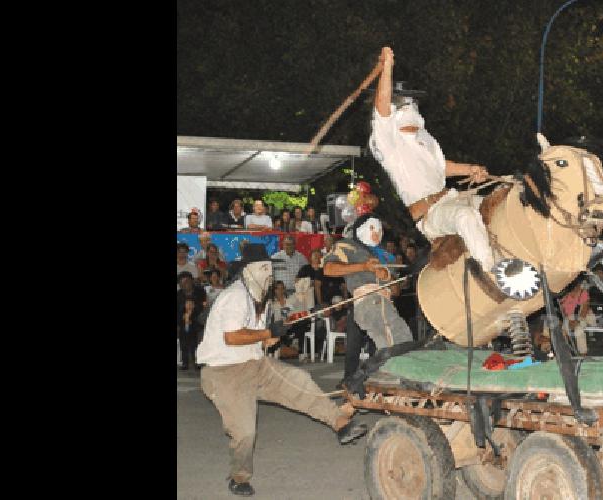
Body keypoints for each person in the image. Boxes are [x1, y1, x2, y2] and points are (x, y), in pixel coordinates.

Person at [195, 243, 369, 496]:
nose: (269, 273)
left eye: (270, 268)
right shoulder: (235, 295)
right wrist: (269, 332)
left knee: (299, 379)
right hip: (224, 373)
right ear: (248, 270)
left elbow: (265, 342)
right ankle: (238, 477)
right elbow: (232, 337)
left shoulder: (260, 299)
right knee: (245, 432)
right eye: (263, 267)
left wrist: (283, 329)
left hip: (255, 364)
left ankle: (340, 423)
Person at [367, 46, 498, 288]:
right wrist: (387, 68)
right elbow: (381, 108)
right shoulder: (389, 143)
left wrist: (471, 169)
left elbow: (440, 166)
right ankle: (491, 274)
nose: (412, 106)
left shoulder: (425, 138)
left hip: (452, 196)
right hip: (431, 214)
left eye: (413, 102)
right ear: (397, 109)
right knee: (465, 217)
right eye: (406, 103)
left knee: (499, 203)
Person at [323, 211, 413, 384]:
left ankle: (376, 383)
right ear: (360, 229)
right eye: (372, 227)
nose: (376, 232)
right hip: (368, 299)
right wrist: (363, 266)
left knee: (392, 342)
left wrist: (387, 277)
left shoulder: (386, 256)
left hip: (385, 302)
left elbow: (396, 292)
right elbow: (329, 269)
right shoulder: (348, 246)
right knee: (397, 340)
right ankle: (368, 381)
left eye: (379, 229)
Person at [178, 271, 207, 370]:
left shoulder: (200, 291)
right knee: (184, 342)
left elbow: (204, 306)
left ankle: (197, 361)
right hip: (183, 322)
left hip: (197, 321)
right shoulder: (179, 294)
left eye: (187, 281)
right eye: (182, 282)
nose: (185, 284)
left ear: (191, 281)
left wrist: (193, 309)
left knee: (196, 342)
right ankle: (185, 362)